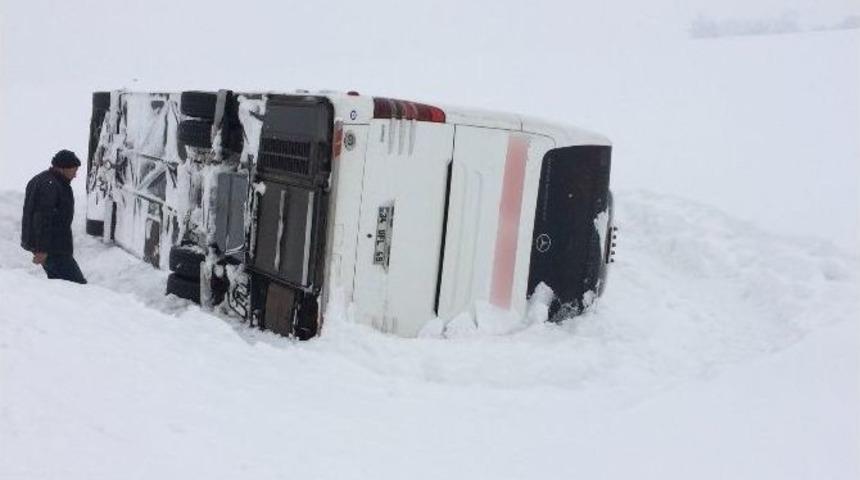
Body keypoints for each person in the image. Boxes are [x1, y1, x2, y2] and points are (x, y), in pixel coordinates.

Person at [20, 149, 88, 284]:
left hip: (53, 247)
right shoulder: (50, 185)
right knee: (78, 286)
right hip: (54, 248)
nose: (75, 175)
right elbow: (42, 218)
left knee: (60, 285)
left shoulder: (45, 180)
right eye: (74, 170)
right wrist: (42, 249)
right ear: (63, 168)